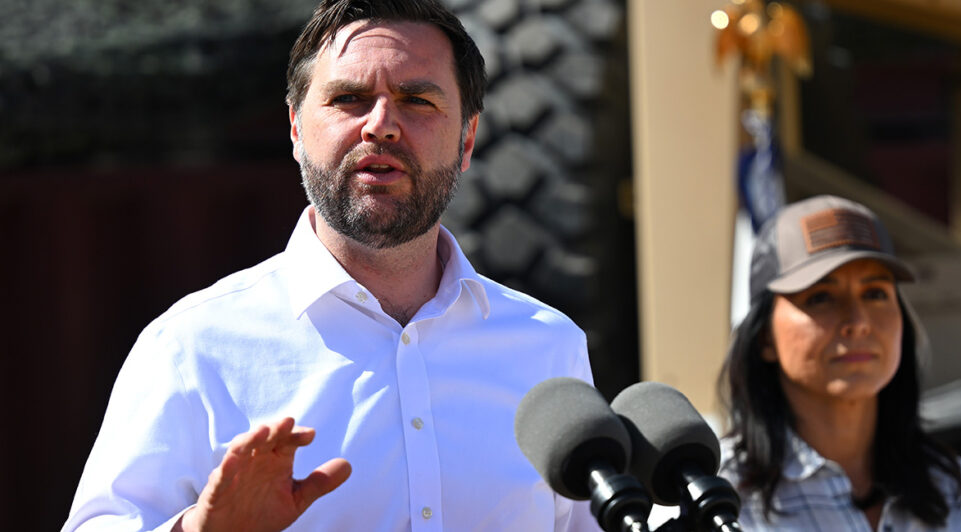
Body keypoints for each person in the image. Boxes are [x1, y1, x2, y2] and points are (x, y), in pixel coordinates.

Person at [62, 1, 601, 531]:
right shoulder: (191, 348)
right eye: (349, 98)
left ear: (467, 139)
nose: (382, 126)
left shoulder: (549, 349)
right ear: (296, 129)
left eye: (416, 100)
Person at [716, 195, 961, 531]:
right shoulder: (717, 499)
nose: (858, 321)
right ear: (764, 337)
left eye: (875, 293)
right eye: (821, 297)